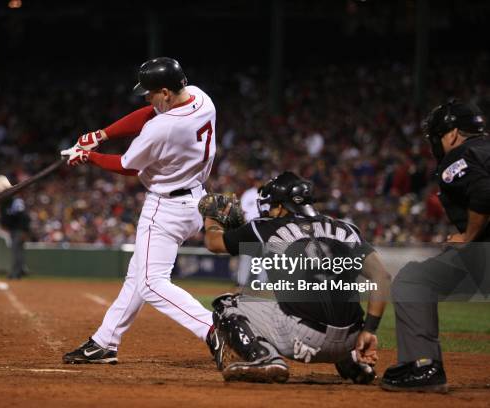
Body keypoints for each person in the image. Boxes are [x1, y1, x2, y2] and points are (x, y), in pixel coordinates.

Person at [60, 57, 217, 364]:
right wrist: (101, 135)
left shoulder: (164, 127)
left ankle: (215, 328)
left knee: (150, 282)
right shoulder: (200, 96)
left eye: (150, 92)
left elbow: (127, 166)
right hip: (194, 201)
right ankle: (105, 342)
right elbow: (149, 112)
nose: (146, 97)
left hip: (166, 207)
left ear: (166, 92)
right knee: (138, 275)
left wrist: (88, 157)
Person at [201, 171, 391, 383]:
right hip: (352, 340)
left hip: (300, 339)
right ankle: (352, 363)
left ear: (281, 206)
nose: (269, 209)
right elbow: (381, 276)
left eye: (272, 204)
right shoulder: (347, 229)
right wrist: (369, 330)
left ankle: (263, 357)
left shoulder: (265, 227)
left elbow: (214, 243)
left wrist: (212, 220)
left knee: (226, 304)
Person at [381, 100, 490, 393]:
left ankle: (423, 364)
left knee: (414, 279)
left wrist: (468, 236)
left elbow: (484, 193)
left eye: (437, 135)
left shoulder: (460, 155)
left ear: (452, 133)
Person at [0, 175, 31, 280]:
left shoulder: (16, 201)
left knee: (16, 252)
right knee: (17, 251)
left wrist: (25, 231)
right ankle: (19, 272)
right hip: (14, 230)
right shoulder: (5, 203)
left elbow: (24, 216)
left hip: (19, 230)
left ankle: (17, 273)